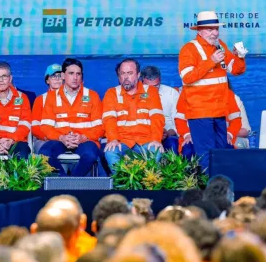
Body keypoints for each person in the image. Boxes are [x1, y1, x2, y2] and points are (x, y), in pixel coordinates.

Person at [178, 11, 247, 170]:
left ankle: (220, 189)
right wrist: (211, 61)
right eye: (210, 29)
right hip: (200, 112)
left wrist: (240, 57)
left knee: (220, 154)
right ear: (199, 31)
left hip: (220, 111)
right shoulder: (189, 49)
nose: (215, 33)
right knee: (206, 156)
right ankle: (209, 193)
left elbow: (235, 70)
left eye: (216, 28)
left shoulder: (220, 45)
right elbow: (186, 77)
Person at [39, 58, 104, 177]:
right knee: (44, 154)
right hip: (61, 140)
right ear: (63, 75)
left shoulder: (92, 96)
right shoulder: (52, 96)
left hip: (85, 140)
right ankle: (64, 180)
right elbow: (45, 127)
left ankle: (72, 181)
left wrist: (83, 137)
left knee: (90, 155)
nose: (75, 77)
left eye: (78, 74)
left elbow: (100, 127)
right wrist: (62, 138)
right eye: (71, 73)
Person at [102, 59, 166, 171]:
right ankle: (122, 184)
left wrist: (156, 139)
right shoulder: (111, 93)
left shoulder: (150, 91)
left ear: (138, 74)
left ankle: (148, 185)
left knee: (156, 152)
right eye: (123, 73)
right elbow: (109, 120)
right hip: (122, 141)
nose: (126, 77)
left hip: (146, 141)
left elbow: (157, 118)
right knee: (110, 152)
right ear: (119, 76)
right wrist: (113, 139)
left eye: (130, 73)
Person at [140, 66, 180, 154]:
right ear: (141, 82)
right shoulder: (135, 94)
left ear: (160, 80)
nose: (152, 90)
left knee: (173, 144)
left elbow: (178, 118)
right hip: (144, 134)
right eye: (148, 87)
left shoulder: (171, 93)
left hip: (168, 133)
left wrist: (170, 132)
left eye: (156, 86)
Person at [31, 64, 63, 152]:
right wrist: (50, 137)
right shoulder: (40, 100)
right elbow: (35, 127)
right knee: (47, 151)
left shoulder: (70, 99)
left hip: (64, 140)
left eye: (60, 76)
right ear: (47, 80)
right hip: (44, 139)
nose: (57, 79)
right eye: (53, 76)